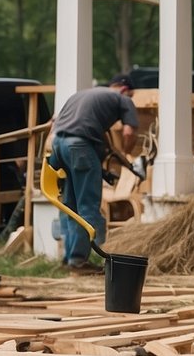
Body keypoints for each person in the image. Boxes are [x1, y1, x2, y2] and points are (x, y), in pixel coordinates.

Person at [48, 73, 139, 272]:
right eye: (130, 95)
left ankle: (68, 258)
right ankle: (79, 261)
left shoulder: (83, 95)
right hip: (79, 147)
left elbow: (53, 122)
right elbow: (129, 132)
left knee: (70, 206)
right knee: (87, 206)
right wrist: (127, 153)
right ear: (124, 89)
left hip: (58, 145)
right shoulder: (123, 99)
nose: (129, 99)